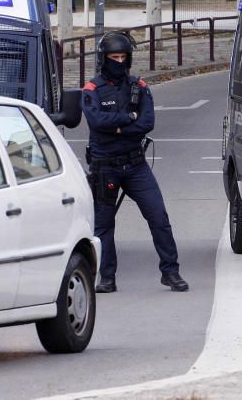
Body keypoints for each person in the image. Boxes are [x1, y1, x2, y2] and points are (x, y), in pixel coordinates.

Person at [82, 31, 188, 293]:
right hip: (105, 166)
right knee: (104, 225)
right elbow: (96, 122)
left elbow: (146, 124)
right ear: (103, 59)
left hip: (136, 165)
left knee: (158, 216)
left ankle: (171, 272)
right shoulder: (92, 88)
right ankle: (107, 277)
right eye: (113, 57)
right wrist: (127, 119)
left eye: (122, 57)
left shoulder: (139, 87)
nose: (118, 61)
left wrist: (118, 127)